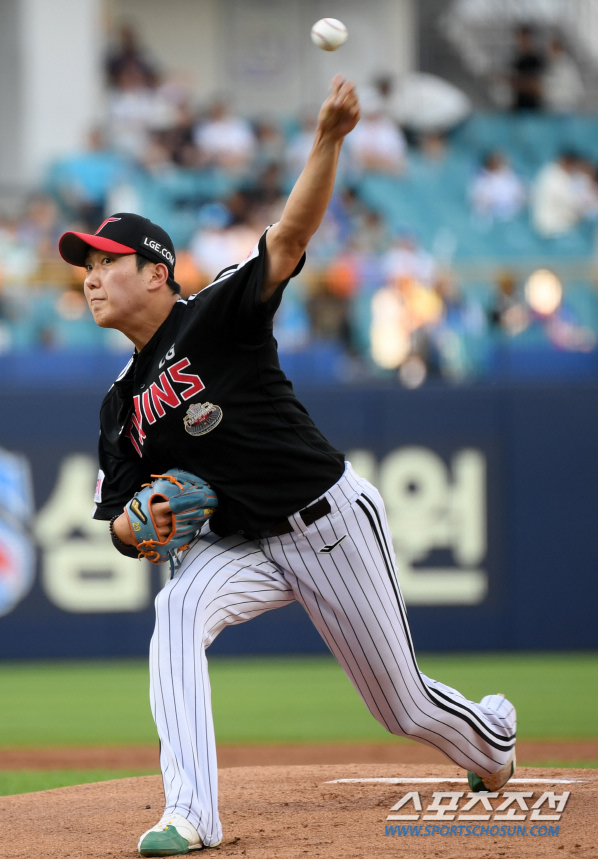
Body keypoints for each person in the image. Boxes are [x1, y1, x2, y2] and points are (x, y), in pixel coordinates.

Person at [58, 77, 517, 857]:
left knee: (401, 708)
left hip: (327, 523)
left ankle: (493, 740)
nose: (91, 275)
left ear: (157, 271)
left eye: (107, 260)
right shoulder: (118, 405)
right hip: (240, 546)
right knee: (175, 614)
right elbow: (125, 523)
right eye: (85, 265)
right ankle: (192, 812)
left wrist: (329, 139)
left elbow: (290, 236)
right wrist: (140, 529)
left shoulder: (216, 315)